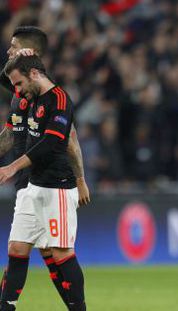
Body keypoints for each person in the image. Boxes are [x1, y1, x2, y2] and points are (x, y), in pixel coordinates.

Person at [0, 26, 90, 310]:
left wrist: (80, 178)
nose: (8, 50)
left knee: (57, 253)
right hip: (28, 180)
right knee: (20, 248)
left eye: (13, 47)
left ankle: (77, 306)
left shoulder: (55, 96)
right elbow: (10, 135)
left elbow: (67, 141)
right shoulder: (21, 92)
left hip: (54, 181)